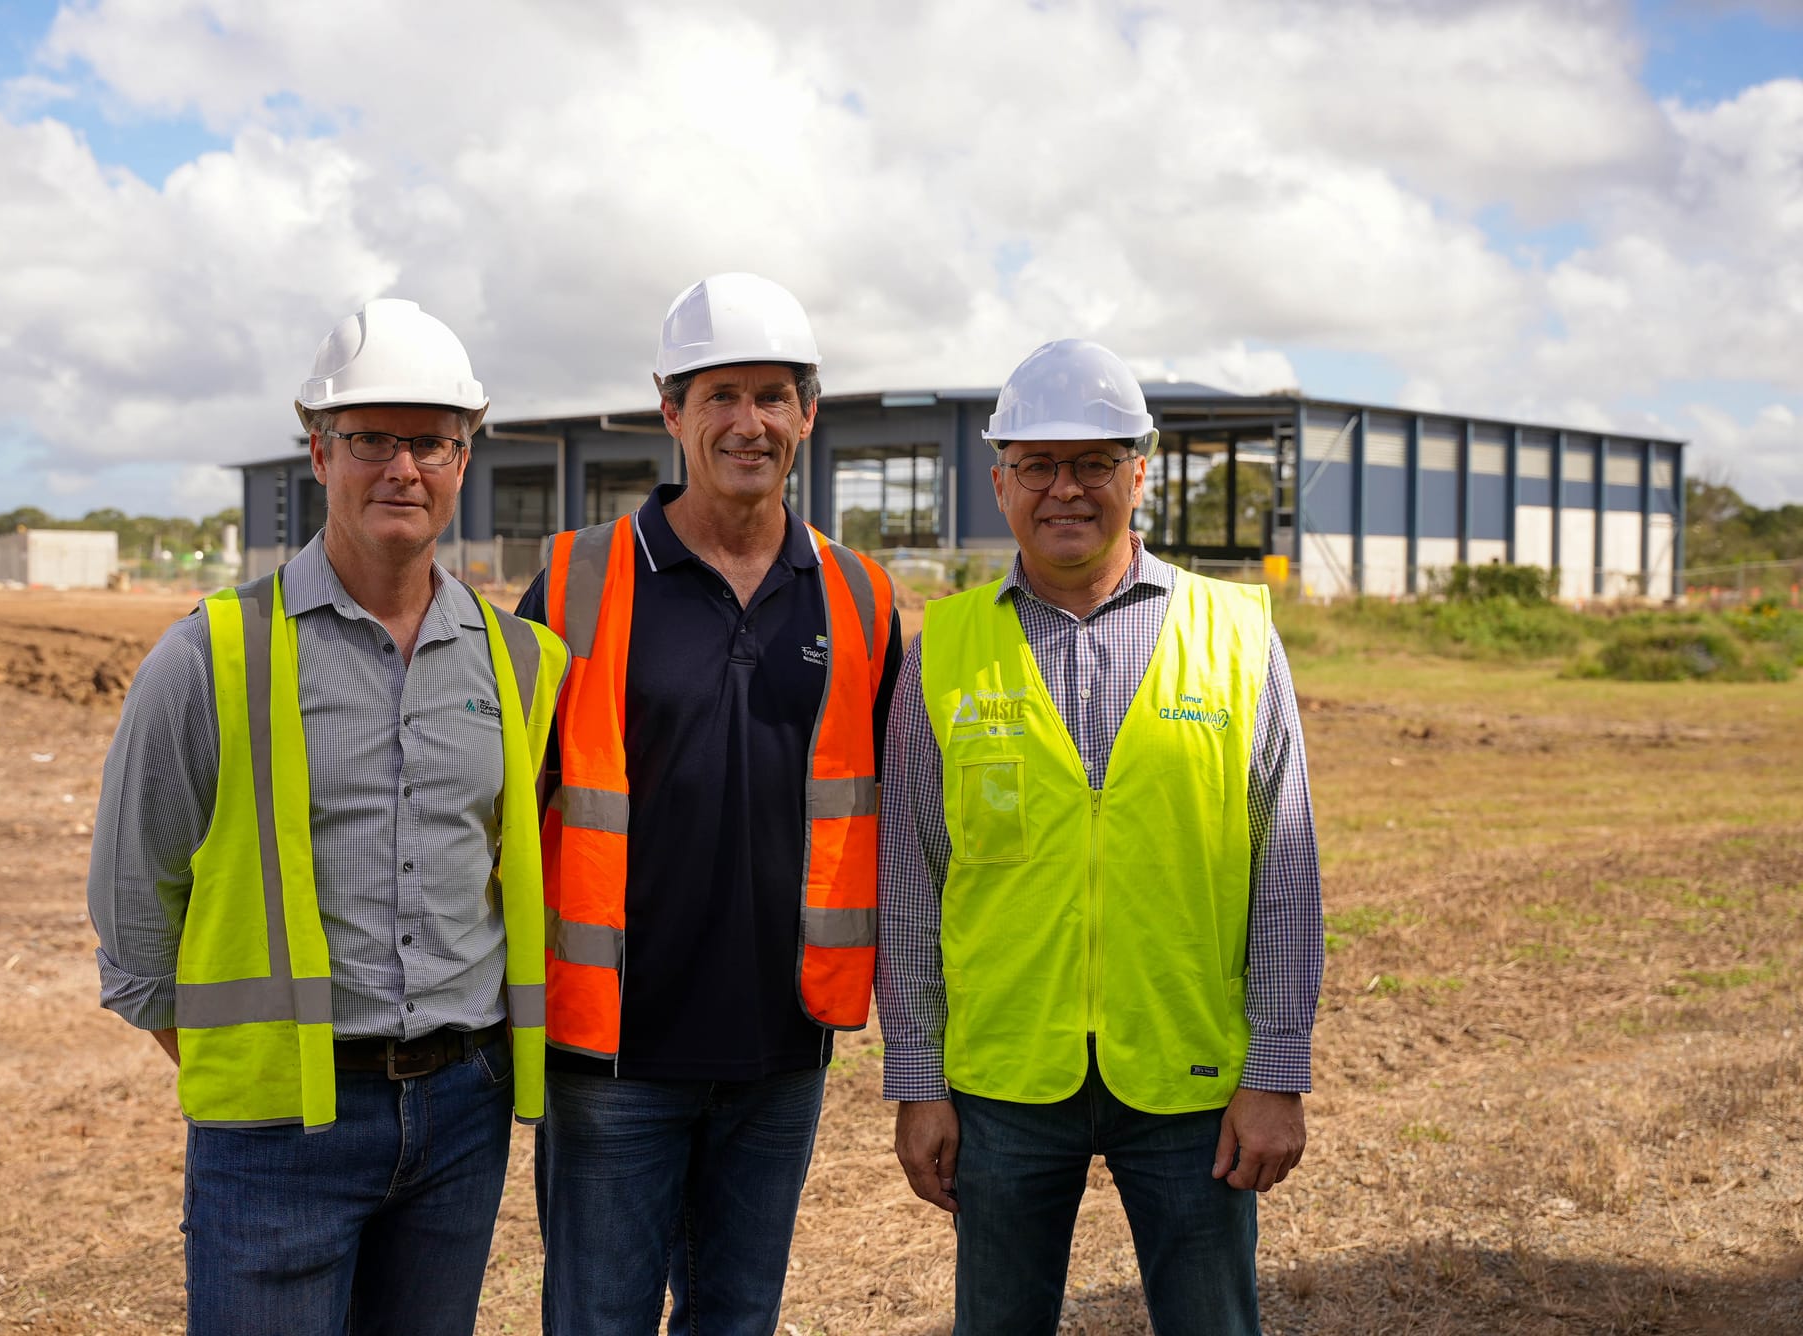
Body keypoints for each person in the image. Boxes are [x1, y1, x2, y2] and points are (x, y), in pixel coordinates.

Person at [86, 298, 567, 1336]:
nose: (403, 466)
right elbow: (135, 917)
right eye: (371, 439)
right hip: (278, 1128)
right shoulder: (208, 656)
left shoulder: (524, 663)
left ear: (463, 456)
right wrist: (253, 1058)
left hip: (461, 1112)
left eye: (431, 441)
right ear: (317, 451)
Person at [877, 338, 1323, 1336]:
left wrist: (1274, 1070)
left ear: (1139, 471)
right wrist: (917, 1079)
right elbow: (908, 875)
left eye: (1091, 462)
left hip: (1187, 1075)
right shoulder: (941, 651)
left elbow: (1283, 869)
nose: (1064, 489)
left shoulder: (1236, 633)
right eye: (1037, 464)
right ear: (999, 480)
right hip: (1000, 1078)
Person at [514, 272, 902, 1335]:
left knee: (737, 1321)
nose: (748, 421)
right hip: (612, 1058)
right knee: (598, 1321)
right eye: (718, 394)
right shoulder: (572, 581)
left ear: (808, 414)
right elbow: (496, 818)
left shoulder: (858, 597)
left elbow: (894, 824)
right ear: (668, 409)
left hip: (782, 1051)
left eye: (773, 395)